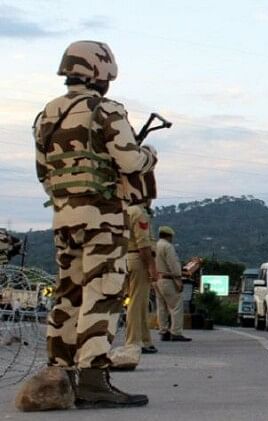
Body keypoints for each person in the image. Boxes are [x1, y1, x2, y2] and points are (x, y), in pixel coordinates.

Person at [32, 40, 156, 409]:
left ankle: (60, 374)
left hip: (63, 218)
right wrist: (149, 156)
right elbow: (130, 161)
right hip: (102, 218)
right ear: (100, 71)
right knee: (102, 292)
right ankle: (93, 379)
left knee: (68, 293)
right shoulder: (106, 110)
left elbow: (44, 174)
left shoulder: (45, 116)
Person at [109, 201, 159, 371]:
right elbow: (143, 245)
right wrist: (152, 267)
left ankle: (145, 339)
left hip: (124, 258)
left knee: (140, 302)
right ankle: (134, 342)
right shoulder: (138, 213)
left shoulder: (122, 210)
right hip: (138, 260)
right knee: (137, 303)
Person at [155, 226, 191, 342]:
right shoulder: (168, 247)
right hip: (168, 279)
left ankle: (163, 331)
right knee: (176, 306)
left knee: (161, 307)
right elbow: (173, 265)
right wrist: (178, 279)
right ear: (169, 236)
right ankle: (176, 332)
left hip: (157, 279)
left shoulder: (155, 245)